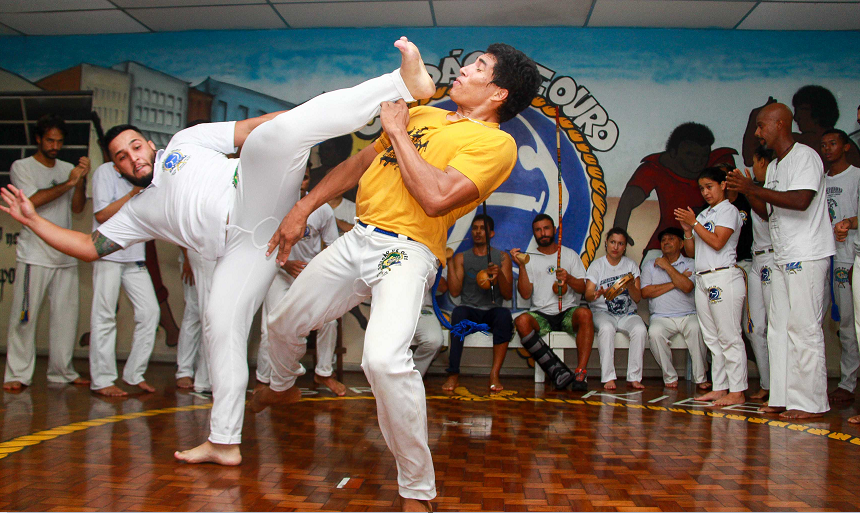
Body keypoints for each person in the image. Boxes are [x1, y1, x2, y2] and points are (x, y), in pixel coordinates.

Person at [0, 37, 438, 466]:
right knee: (219, 321)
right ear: (116, 168)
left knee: (270, 136)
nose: (131, 158)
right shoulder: (137, 211)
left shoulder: (186, 142)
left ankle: (401, 85)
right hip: (248, 247)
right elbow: (88, 246)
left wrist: (303, 124)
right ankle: (224, 441)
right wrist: (32, 220)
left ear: (150, 144)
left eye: (135, 146)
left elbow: (251, 129)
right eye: (120, 157)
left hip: (254, 189)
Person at [257, 42, 541, 511]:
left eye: (479, 67)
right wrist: (302, 209)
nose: (465, 70)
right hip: (356, 241)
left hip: (406, 250)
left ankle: (417, 491)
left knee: (385, 361)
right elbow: (357, 165)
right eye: (471, 62)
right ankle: (282, 386)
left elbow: (435, 197)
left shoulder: (497, 145)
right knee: (282, 323)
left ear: (497, 93)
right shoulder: (427, 115)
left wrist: (398, 131)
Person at [726, 102, 835, 419]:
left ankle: (811, 403)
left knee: (804, 329)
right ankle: (783, 395)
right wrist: (748, 193)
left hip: (807, 253)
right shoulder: (774, 167)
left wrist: (752, 187)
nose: (758, 132)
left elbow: (801, 201)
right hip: (782, 254)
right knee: (777, 330)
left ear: (780, 123)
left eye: (762, 125)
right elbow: (768, 212)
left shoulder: (805, 157)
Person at [4, 114, 90, 391]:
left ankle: (61, 372)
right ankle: (17, 374)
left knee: (65, 320)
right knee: (24, 318)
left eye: (59, 141)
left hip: (64, 255)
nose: (55, 145)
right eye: (50, 140)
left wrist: (79, 181)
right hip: (34, 255)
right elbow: (30, 202)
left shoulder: (67, 168)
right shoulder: (22, 167)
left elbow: (76, 209)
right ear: (39, 139)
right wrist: (67, 182)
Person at [255, 163, 345, 395]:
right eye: (297, 178)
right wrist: (286, 265)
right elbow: (260, 247)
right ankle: (264, 380)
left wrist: (317, 269)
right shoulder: (272, 209)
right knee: (270, 326)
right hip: (278, 274)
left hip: (310, 276)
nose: (301, 182)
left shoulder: (322, 210)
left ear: (308, 181)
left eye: (305, 178)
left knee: (328, 322)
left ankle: (323, 373)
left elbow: (333, 246)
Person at [675, 167, 747, 406]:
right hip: (703, 277)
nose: (705, 192)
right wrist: (688, 231)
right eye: (702, 188)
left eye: (710, 186)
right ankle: (720, 387)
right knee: (712, 338)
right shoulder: (705, 215)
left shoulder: (729, 211)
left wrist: (693, 223)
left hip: (723, 277)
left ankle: (737, 389)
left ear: (723, 185)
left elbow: (717, 242)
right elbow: (693, 251)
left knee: (729, 336)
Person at [614, 122, 736, 261]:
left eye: (703, 156)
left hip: (706, 247)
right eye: (691, 155)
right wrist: (619, 233)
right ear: (673, 153)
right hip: (662, 243)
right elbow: (628, 200)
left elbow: (733, 197)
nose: (698, 161)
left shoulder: (718, 163)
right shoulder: (656, 167)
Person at [88, 161, 159, 396]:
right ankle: (102, 380)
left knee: (150, 312)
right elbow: (101, 214)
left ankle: (133, 374)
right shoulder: (104, 173)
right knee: (105, 315)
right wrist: (133, 193)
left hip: (135, 254)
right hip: (107, 253)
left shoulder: (145, 173)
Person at [510, 213, 591, 391]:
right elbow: (525, 294)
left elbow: (583, 288)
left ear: (554, 230)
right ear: (534, 234)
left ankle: (580, 372)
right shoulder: (529, 258)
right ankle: (556, 370)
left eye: (546, 228)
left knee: (585, 314)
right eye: (538, 230)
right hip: (542, 314)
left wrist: (568, 278)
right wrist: (521, 266)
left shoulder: (569, 255)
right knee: (521, 321)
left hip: (567, 312)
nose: (543, 233)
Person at [444, 214, 514, 392]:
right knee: (458, 314)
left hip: (493, 311)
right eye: (475, 228)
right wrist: (450, 262)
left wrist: (499, 276)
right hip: (470, 311)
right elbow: (454, 291)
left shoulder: (502, 258)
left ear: (491, 233)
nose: (478, 232)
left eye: (483, 228)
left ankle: (494, 374)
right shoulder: (461, 258)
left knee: (504, 315)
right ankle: (453, 374)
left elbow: (507, 295)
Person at [640, 227, 709, 390]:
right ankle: (670, 376)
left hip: (688, 315)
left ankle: (700, 378)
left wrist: (668, 267)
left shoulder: (691, 263)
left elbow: (686, 287)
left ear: (681, 244)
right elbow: (646, 292)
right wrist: (675, 281)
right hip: (661, 317)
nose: (666, 242)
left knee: (696, 329)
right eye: (663, 240)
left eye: (671, 239)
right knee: (655, 333)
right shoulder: (650, 265)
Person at [823, 129, 860, 406]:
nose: (827, 149)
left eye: (833, 143)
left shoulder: (856, 176)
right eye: (823, 145)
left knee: (848, 323)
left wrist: (849, 222)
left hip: (849, 257)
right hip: (825, 256)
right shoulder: (821, 180)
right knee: (833, 322)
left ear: (846, 146)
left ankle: (848, 383)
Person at [584, 227, 646, 390]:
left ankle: (634, 377)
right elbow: (588, 294)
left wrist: (631, 285)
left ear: (625, 247)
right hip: (602, 312)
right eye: (612, 242)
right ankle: (608, 377)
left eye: (620, 244)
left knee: (640, 329)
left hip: (628, 313)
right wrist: (597, 293)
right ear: (606, 243)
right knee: (606, 328)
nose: (615, 247)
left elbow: (638, 298)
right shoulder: (597, 266)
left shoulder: (631, 265)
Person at [744, 145, 776, 400]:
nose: (753, 166)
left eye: (755, 161)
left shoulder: (776, 189)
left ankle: (781, 385)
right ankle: (766, 383)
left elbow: (767, 213)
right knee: (755, 328)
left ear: (763, 162)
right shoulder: (751, 188)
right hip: (756, 260)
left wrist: (749, 188)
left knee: (777, 326)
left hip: (776, 258)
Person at [174, 247, 211, 392]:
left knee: (209, 314)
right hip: (193, 257)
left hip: (216, 260)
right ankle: (184, 370)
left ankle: (205, 373)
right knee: (193, 312)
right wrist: (187, 260)